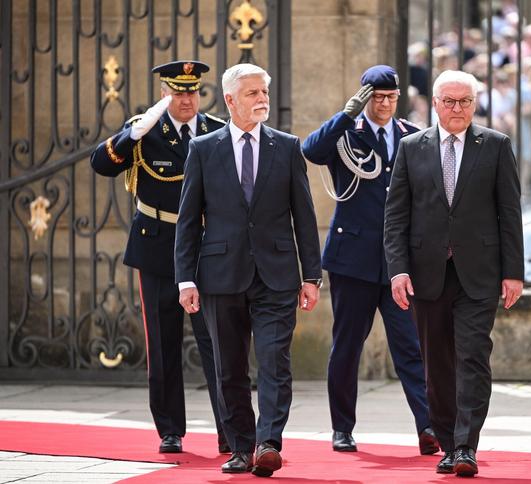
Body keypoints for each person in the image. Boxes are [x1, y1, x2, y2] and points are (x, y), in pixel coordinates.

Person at [174, 63, 322, 477]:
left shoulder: (287, 147)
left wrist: (312, 276)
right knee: (229, 367)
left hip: (277, 274)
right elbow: (188, 220)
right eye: (253, 93)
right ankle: (240, 446)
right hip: (220, 275)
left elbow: (304, 217)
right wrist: (185, 278)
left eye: (265, 92)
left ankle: (269, 442)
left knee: (275, 361)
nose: (262, 100)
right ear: (231, 100)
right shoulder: (204, 148)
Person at [384, 70, 524, 477]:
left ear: (475, 104)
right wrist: (397, 271)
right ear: (434, 103)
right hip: (427, 273)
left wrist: (512, 272)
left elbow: (509, 212)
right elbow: (396, 216)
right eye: (449, 101)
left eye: (464, 101)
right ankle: (446, 441)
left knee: (473, 357)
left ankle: (466, 446)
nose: (457, 108)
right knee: (437, 363)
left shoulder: (495, 146)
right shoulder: (412, 148)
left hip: (478, 274)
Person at [90, 60, 227, 455]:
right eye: (178, 92)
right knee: (163, 343)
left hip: (205, 247)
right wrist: (131, 134)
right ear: (165, 93)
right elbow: (101, 165)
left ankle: (229, 428)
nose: (186, 100)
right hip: (157, 244)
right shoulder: (145, 131)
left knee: (217, 341)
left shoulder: (216, 130)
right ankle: (170, 429)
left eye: (192, 92)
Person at [301, 65, 438, 455]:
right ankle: (342, 427)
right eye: (377, 98)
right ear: (365, 97)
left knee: (411, 346)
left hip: (399, 263)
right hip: (354, 259)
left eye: (391, 98)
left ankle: (428, 425)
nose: (385, 104)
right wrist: (346, 114)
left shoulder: (411, 135)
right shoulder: (347, 133)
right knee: (347, 346)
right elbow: (311, 150)